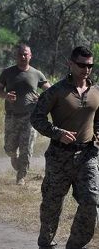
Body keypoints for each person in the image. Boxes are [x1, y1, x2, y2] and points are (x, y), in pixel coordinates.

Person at [31, 46, 99, 249]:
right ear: (70, 64)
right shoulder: (56, 91)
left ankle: (75, 244)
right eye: (81, 65)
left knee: (91, 201)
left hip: (88, 155)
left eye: (90, 65)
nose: (86, 69)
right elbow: (36, 118)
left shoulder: (96, 91)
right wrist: (57, 133)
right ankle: (46, 242)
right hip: (59, 156)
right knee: (52, 205)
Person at [0, 44, 50, 185]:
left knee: (27, 148)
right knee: (9, 148)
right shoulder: (8, 72)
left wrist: (42, 97)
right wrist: (6, 95)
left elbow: (50, 90)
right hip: (12, 116)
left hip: (30, 117)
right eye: (20, 54)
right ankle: (13, 156)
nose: (23, 57)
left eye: (26, 54)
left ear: (30, 56)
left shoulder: (37, 74)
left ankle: (21, 176)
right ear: (16, 56)